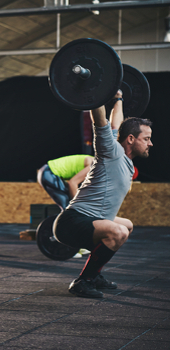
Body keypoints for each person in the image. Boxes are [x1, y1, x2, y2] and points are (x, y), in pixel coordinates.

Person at [53, 95, 153, 298]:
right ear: (131, 139)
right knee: (118, 233)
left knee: (127, 226)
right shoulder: (111, 152)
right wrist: (96, 93)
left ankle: (95, 274)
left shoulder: (123, 159)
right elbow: (101, 122)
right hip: (72, 222)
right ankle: (83, 281)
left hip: (88, 220)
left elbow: (117, 124)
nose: (150, 143)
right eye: (147, 139)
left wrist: (118, 98)